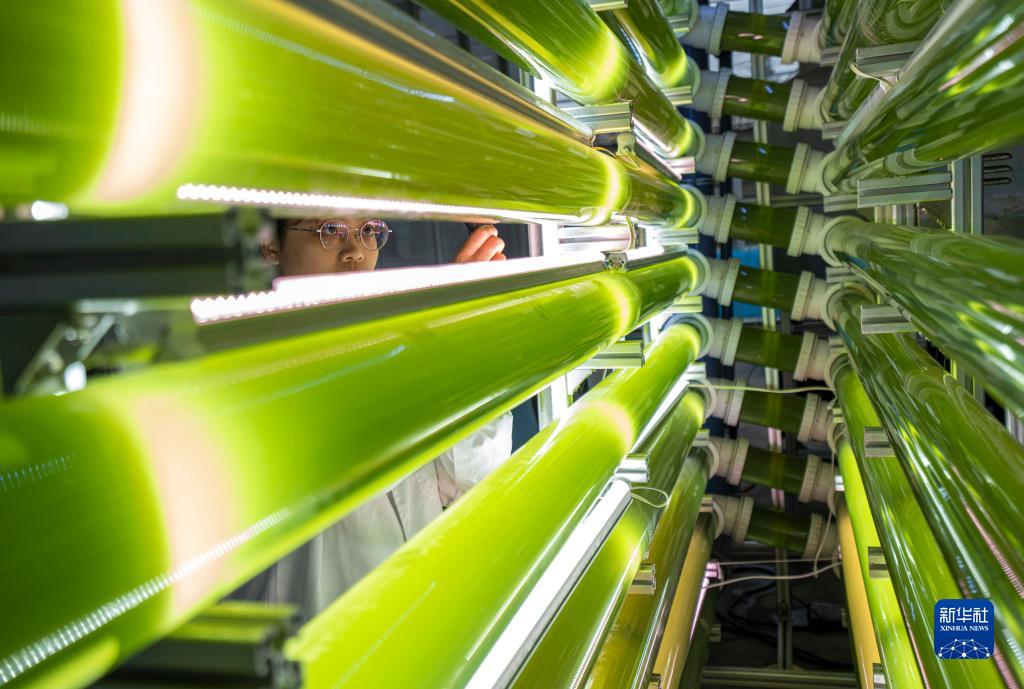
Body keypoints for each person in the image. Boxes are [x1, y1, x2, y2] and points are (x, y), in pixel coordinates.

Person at [248, 216, 513, 618]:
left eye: (368, 230)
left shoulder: (392, 339)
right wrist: (436, 338)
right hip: (323, 636)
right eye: (330, 229)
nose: (355, 250)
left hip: (422, 618)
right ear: (271, 244)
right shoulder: (248, 362)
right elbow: (353, 457)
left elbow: (474, 476)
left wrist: (462, 340)